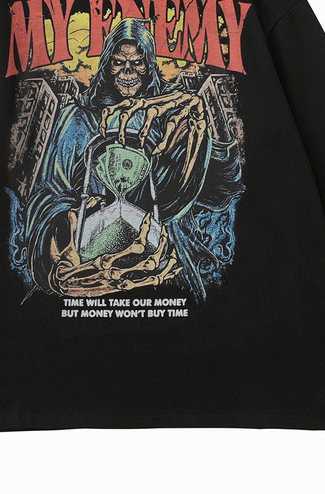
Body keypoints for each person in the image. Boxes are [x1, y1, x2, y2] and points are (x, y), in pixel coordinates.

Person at [16, 18, 244, 303]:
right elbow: (48, 194)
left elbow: (225, 181)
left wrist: (199, 127)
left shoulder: (168, 115)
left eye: (138, 63)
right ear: (106, 65)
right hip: (88, 256)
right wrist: (60, 248)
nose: (127, 72)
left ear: (150, 66)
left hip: (162, 258)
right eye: (118, 62)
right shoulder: (77, 117)